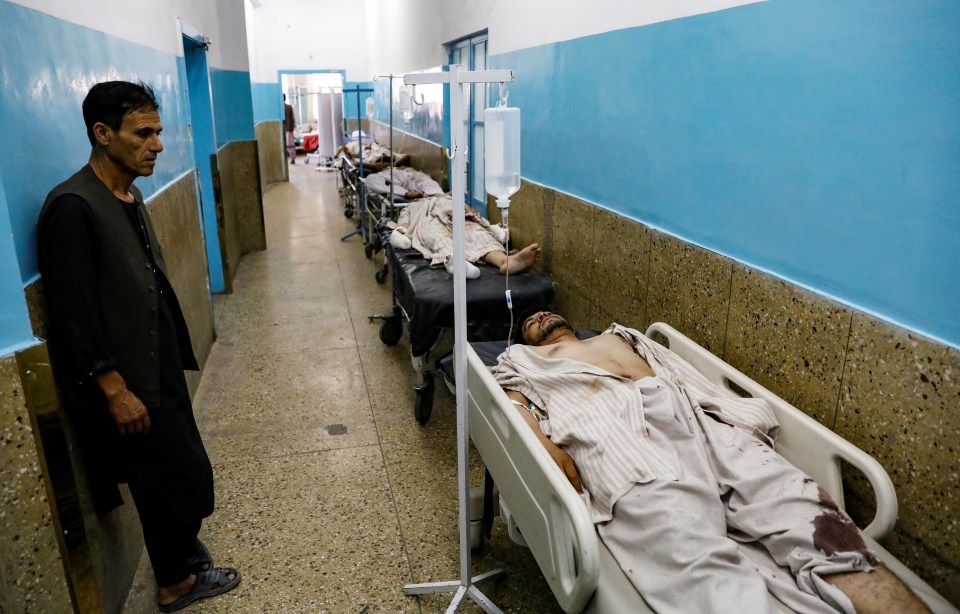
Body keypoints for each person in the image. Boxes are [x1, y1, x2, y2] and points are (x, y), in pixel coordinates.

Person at [494, 311, 930, 614]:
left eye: (544, 313)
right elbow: (514, 407)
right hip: (620, 440)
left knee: (814, 525)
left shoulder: (621, 336)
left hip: (706, 426)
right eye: (530, 322)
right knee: (695, 558)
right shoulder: (522, 360)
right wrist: (549, 449)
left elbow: (685, 377)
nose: (538, 318)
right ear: (526, 339)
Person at [36, 81, 240, 612]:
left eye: (158, 132)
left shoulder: (128, 193)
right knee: (166, 480)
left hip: (156, 366)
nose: (157, 145)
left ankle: (179, 550)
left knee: (183, 471)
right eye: (142, 133)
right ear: (103, 134)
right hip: (126, 383)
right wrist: (114, 389)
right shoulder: (72, 208)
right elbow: (73, 313)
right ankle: (175, 583)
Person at [389, 194, 541, 277]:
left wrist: (490, 228)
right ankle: (456, 262)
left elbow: (475, 214)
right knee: (438, 238)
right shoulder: (415, 205)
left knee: (479, 235)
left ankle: (505, 261)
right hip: (429, 221)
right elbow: (404, 223)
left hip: (460, 218)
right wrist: (402, 230)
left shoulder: (449, 198)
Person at [284, 94, 296, 164]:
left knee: (289, 144)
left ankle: (291, 158)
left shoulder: (280, 108)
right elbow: (293, 118)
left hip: (284, 128)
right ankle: (292, 158)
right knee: (290, 144)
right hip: (289, 128)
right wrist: (293, 126)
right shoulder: (289, 107)